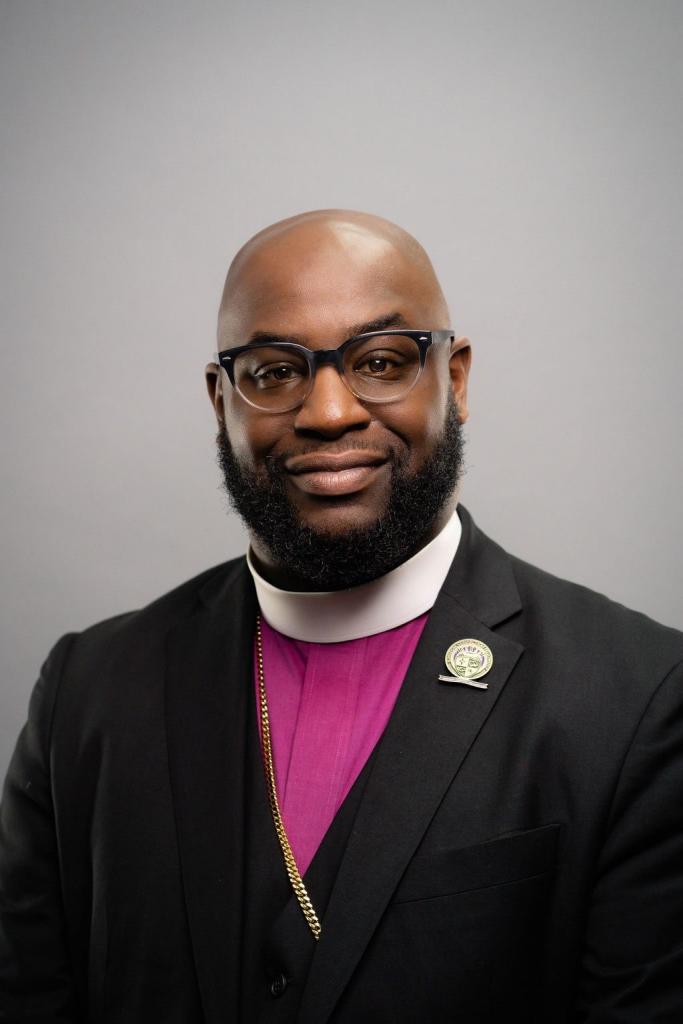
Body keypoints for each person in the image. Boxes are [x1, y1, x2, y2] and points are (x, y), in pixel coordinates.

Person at [1, 210, 682, 1024]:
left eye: (381, 361)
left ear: (455, 379)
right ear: (222, 400)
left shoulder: (638, 696)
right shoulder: (90, 689)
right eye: (273, 371)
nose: (328, 412)